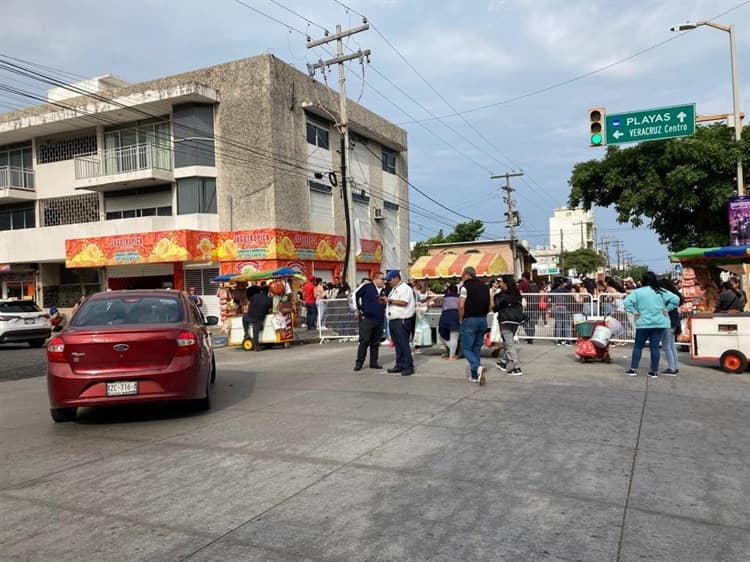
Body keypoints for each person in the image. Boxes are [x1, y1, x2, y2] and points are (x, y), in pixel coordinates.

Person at [623, 271, 680, 378]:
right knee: (654, 347)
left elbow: (627, 302)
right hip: (660, 322)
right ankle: (654, 371)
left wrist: (634, 311)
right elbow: (676, 299)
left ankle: (633, 369)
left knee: (638, 346)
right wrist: (667, 309)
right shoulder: (661, 291)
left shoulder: (638, 292)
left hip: (643, 322)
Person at [459, 266, 490, 385]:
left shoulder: (464, 287)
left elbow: (461, 305)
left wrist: (461, 318)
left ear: (467, 275)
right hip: (482, 319)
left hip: (469, 319)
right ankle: (474, 375)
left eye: (463, 276)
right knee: (476, 348)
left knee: (466, 348)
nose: (462, 278)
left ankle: (476, 367)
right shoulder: (485, 287)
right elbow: (490, 304)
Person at [353, 272, 386, 371]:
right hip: (367, 318)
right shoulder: (367, 287)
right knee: (364, 341)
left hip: (379, 318)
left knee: (375, 342)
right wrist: (357, 308)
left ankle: (373, 362)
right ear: (375, 279)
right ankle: (359, 362)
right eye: (381, 279)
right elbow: (356, 294)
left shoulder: (384, 290)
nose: (383, 281)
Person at [385, 270, 416, 376]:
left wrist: (389, 300)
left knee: (403, 344)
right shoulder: (394, 289)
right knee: (397, 344)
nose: (389, 282)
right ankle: (400, 364)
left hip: (401, 319)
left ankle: (408, 366)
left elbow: (404, 302)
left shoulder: (405, 288)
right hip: (393, 319)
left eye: (390, 279)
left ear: (396, 278)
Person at [493, 275, 524, 376]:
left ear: (505, 283)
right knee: (508, 342)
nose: (499, 284)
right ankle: (503, 362)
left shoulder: (502, 295)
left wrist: (493, 294)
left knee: (509, 344)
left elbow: (495, 308)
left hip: (505, 320)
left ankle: (516, 367)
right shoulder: (516, 293)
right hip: (516, 319)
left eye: (501, 282)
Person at [659, 278, 684, 376]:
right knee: (672, 346)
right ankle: (675, 366)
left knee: (666, 346)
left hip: (667, 323)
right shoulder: (674, 296)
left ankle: (671, 368)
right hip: (675, 322)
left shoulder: (665, 297)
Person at [246, 286, 273, 351]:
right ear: (268, 292)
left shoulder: (255, 296)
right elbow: (270, 309)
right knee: (256, 332)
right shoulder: (269, 299)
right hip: (259, 318)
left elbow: (250, 303)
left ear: (261, 291)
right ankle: (256, 346)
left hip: (250, 316)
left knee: (244, 318)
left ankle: (246, 333)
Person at [438, 284, 460, 360]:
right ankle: (452, 355)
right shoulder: (460, 297)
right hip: (456, 316)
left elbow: (441, 305)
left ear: (449, 290)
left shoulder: (445, 297)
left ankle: (450, 349)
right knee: (454, 336)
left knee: (442, 335)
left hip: (445, 316)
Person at [550, 277, 572, 346]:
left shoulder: (554, 291)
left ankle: (559, 340)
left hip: (556, 307)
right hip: (565, 307)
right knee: (566, 324)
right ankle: (567, 340)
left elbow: (548, 298)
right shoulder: (566, 290)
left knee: (558, 324)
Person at [518, 271, 538, 344]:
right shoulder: (534, 284)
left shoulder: (522, 283)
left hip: (525, 305)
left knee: (523, 320)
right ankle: (531, 337)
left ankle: (529, 336)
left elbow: (520, 293)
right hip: (534, 304)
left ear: (523, 277)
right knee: (532, 321)